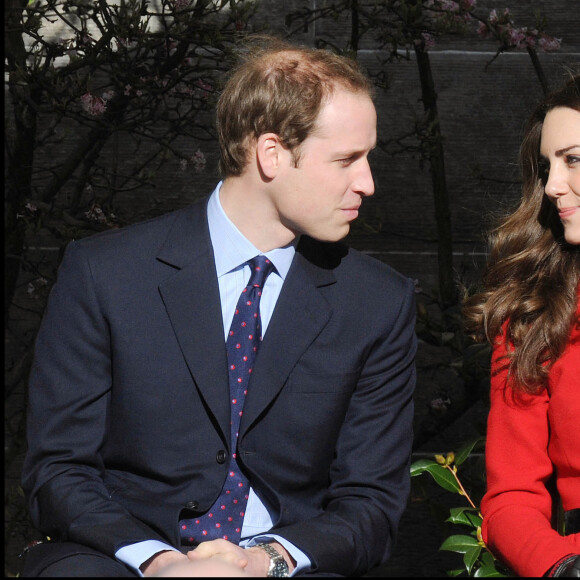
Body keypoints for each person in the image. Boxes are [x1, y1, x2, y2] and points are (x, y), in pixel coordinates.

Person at [20, 36, 417, 577]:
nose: (367, 183)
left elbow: (371, 505)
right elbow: (58, 470)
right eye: (347, 159)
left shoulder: (376, 302)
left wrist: (265, 562)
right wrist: (158, 562)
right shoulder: (105, 273)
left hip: (287, 563)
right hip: (120, 555)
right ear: (271, 154)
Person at [463, 73, 580, 577]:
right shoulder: (536, 316)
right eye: (546, 166)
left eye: (573, 159)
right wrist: (559, 565)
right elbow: (510, 497)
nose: (553, 186)